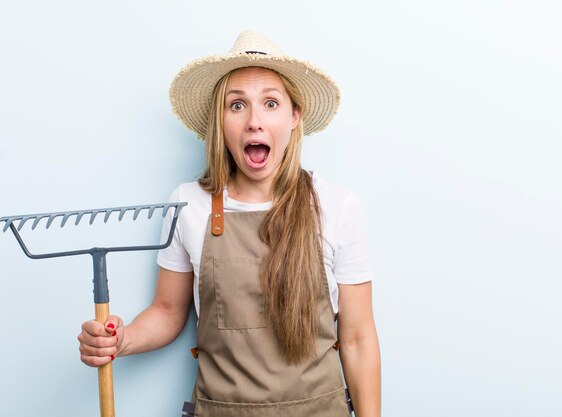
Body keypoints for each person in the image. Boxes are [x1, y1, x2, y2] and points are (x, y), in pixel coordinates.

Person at [78, 31, 381, 417]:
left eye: (270, 103)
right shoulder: (188, 204)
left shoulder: (337, 206)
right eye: (237, 105)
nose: (254, 122)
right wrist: (121, 340)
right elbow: (169, 312)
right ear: (220, 120)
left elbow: (357, 338)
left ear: (294, 116)